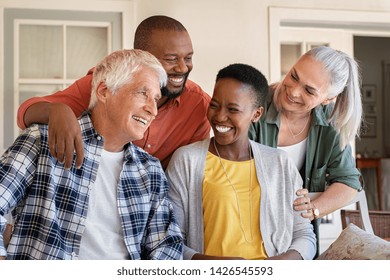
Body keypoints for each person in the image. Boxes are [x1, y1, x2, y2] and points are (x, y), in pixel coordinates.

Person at [0, 49, 183, 260]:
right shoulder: (42, 140)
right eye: (143, 93)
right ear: (104, 91)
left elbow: (167, 246)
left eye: (156, 99)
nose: (153, 109)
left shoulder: (150, 169)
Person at [16, 15, 210, 170]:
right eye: (171, 59)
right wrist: (56, 110)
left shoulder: (199, 105)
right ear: (142, 56)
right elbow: (25, 113)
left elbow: (188, 171)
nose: (183, 68)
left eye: (189, 58)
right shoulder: (107, 84)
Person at [166, 63, 316, 260]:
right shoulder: (187, 161)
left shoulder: (280, 163)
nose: (220, 116)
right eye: (214, 105)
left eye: (233, 109)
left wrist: (279, 265)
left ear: (256, 114)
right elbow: (171, 242)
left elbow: (304, 235)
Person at [248, 46, 363, 254]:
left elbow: (348, 182)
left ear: (327, 99)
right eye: (293, 76)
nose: (292, 91)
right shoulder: (255, 102)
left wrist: (313, 209)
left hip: (299, 235)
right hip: (248, 227)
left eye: (309, 90)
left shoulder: (330, 125)